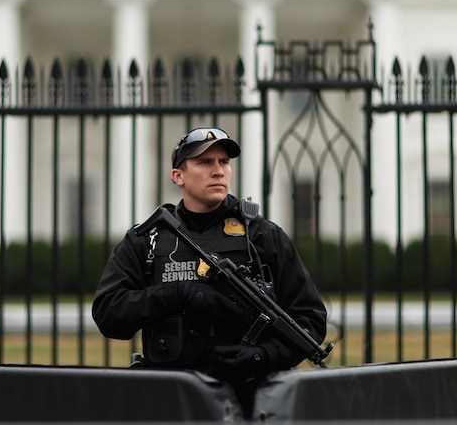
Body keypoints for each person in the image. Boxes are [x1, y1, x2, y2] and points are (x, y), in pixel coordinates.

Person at [92, 127, 328, 415]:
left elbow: (310, 320)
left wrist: (261, 355)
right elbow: (108, 312)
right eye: (204, 162)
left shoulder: (262, 237)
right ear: (178, 176)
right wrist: (176, 294)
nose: (218, 171)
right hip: (169, 399)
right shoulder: (149, 240)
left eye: (224, 162)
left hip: (247, 400)